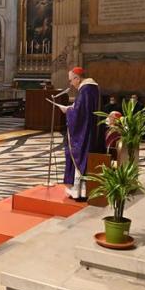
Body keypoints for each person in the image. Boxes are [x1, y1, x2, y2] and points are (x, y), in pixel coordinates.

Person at [57, 67, 99, 200]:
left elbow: (80, 113)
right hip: (90, 129)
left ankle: (78, 192)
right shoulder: (93, 88)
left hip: (82, 131)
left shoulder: (85, 90)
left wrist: (67, 111)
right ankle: (81, 191)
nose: (70, 83)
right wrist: (72, 108)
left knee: (75, 155)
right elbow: (82, 109)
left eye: (71, 80)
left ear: (77, 78)